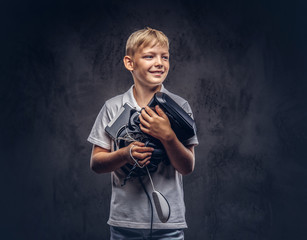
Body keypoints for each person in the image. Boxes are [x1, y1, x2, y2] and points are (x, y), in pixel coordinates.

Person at [87, 27, 199, 239]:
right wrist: (125, 154)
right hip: (124, 222)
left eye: (164, 57)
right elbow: (96, 163)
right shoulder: (112, 107)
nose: (159, 63)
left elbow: (187, 167)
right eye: (149, 56)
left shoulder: (181, 107)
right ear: (130, 63)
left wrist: (168, 136)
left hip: (168, 225)